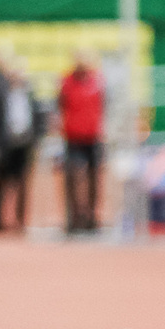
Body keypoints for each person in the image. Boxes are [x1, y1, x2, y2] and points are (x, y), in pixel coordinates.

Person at [0, 52, 42, 234]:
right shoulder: (1, 96)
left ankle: (20, 220)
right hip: (5, 145)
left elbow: (39, 120)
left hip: (24, 144)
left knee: (23, 184)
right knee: (1, 183)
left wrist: (36, 140)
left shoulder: (31, 96)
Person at [56, 50, 106, 234]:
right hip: (73, 136)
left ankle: (91, 217)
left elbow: (104, 105)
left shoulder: (98, 81)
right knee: (73, 177)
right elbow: (60, 105)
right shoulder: (67, 82)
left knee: (94, 178)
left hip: (93, 136)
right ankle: (73, 218)